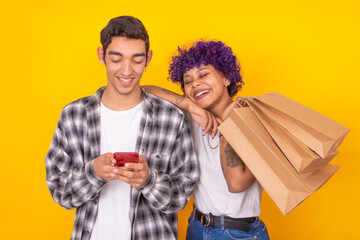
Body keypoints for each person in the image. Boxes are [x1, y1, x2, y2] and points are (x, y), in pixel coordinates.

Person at [45, 16, 199, 240]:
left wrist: (149, 179)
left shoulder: (171, 118)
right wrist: (93, 172)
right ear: (102, 56)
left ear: (148, 58)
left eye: (136, 60)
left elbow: (181, 196)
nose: (127, 71)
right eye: (116, 59)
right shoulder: (73, 116)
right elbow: (60, 192)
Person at [143, 40, 270, 240]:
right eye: (188, 81)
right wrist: (190, 106)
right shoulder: (192, 118)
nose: (195, 84)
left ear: (226, 77)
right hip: (197, 227)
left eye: (203, 74)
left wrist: (227, 125)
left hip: (238, 234)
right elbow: (143, 91)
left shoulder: (253, 120)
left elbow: (236, 183)